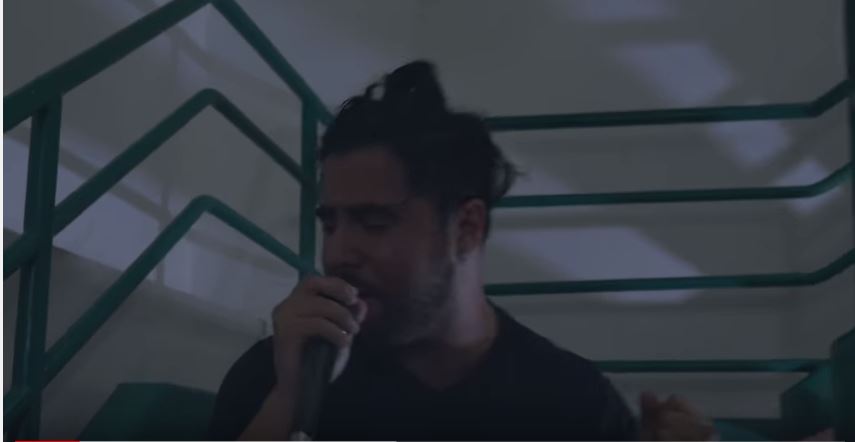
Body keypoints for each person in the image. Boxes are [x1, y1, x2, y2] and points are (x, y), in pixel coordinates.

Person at [208, 61, 715, 441]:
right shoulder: (279, 372)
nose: (339, 252)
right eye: (330, 223)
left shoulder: (572, 403)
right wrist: (290, 401)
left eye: (374, 221)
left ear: (467, 227)